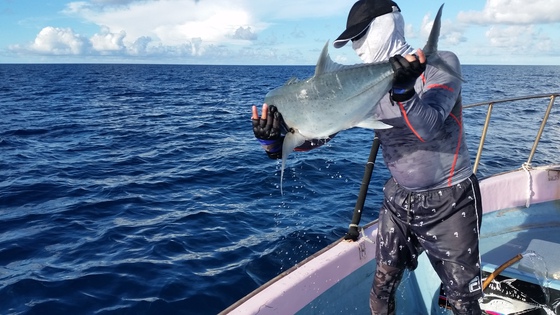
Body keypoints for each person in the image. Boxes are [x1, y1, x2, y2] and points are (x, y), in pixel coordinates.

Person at [251, 0, 484, 314]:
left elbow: (428, 127)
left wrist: (403, 91)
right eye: (351, 42)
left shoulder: (442, 63)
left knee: (462, 304)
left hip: (451, 200)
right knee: (380, 293)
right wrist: (273, 142)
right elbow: (320, 134)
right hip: (400, 200)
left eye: (361, 35)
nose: (358, 48)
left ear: (389, 24)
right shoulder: (366, 83)